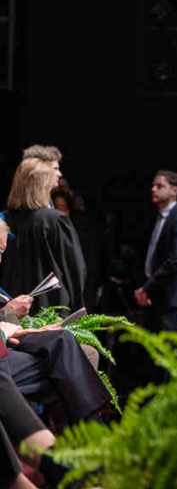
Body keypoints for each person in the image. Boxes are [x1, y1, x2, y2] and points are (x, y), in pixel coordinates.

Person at [0, 217, 111, 422]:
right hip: (5, 351)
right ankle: (91, 429)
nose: (0, 259)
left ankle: (81, 432)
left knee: (64, 341)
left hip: (10, 340)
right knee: (64, 350)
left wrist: (32, 328)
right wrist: (8, 313)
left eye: (2, 252)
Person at [1, 159, 87, 311]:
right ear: (44, 186)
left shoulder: (3, 219)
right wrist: (78, 308)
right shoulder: (55, 221)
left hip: (8, 310)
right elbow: (74, 270)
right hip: (51, 311)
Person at [135, 171, 177, 334]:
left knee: (167, 354)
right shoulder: (159, 217)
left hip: (171, 300)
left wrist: (147, 288)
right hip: (154, 297)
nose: (153, 189)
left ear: (174, 191)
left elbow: (175, 260)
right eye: (153, 185)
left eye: (160, 186)